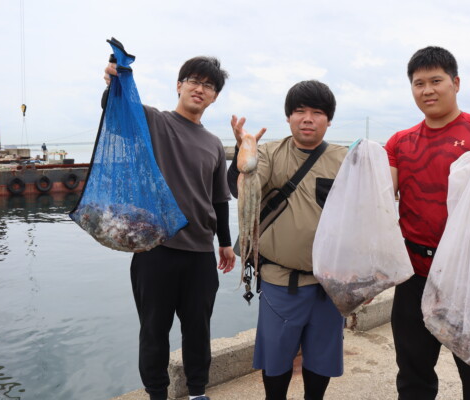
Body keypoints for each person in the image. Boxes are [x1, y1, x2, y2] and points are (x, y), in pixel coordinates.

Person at [384, 46, 470, 400]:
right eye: (418, 83)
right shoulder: (400, 142)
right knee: (413, 377)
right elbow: (381, 196)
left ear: (456, 83)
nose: (427, 90)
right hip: (414, 273)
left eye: (436, 81)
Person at [104, 55, 236, 400]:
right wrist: (114, 84)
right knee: (153, 331)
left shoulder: (213, 144)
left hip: (199, 254)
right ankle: (157, 394)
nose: (200, 88)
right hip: (154, 249)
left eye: (208, 85)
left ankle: (197, 392)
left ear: (214, 97)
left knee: (198, 330)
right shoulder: (155, 122)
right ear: (179, 85)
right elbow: (117, 111)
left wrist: (225, 242)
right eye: (193, 80)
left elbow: (219, 198)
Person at [228, 80, 348, 400]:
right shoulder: (270, 153)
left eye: (317, 112)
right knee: (276, 356)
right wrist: (245, 150)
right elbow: (246, 178)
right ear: (288, 117)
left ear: (329, 119)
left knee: (321, 357)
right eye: (300, 111)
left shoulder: (345, 160)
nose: (307, 118)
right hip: (281, 281)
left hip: (330, 283)